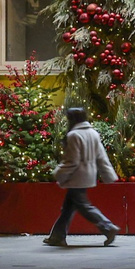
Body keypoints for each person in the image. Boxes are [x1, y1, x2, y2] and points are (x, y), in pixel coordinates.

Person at [45, 104, 122, 247]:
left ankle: (108, 227)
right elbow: (101, 156)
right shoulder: (93, 133)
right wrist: (108, 174)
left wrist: (59, 173)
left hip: (76, 177)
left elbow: (72, 161)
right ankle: (57, 236)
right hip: (88, 175)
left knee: (84, 206)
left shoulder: (74, 135)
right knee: (68, 208)